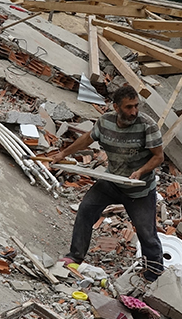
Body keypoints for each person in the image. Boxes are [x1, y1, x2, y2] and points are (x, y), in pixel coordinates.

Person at [52, 86, 165, 281]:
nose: (134, 111)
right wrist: (63, 153)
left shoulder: (147, 125)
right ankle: (75, 255)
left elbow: (158, 157)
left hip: (140, 189)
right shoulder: (105, 122)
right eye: (129, 107)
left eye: (136, 106)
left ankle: (154, 274)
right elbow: (87, 139)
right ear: (116, 107)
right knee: (86, 210)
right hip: (112, 181)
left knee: (147, 233)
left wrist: (140, 172)